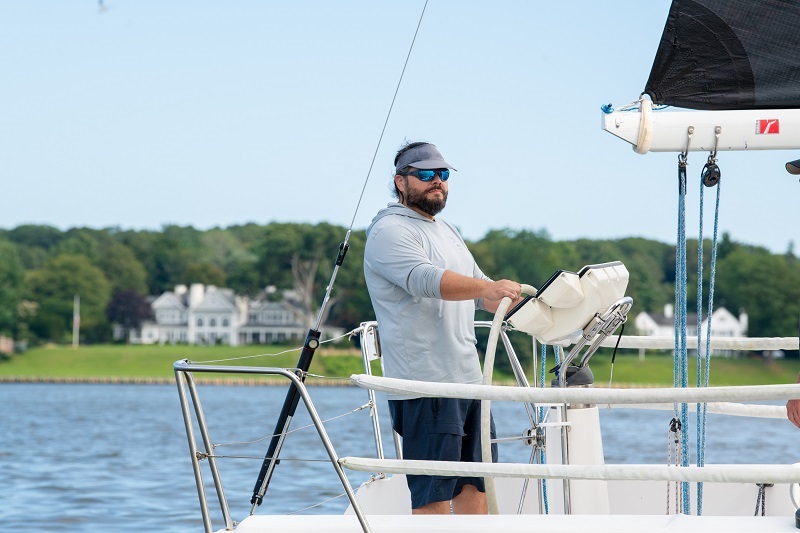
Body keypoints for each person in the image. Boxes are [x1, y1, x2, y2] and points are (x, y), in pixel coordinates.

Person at [363, 141, 523, 514]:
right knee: (433, 496)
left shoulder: (447, 230)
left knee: (477, 488)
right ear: (401, 182)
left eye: (443, 174)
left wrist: (521, 299)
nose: (437, 181)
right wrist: (486, 288)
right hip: (425, 387)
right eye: (425, 174)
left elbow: (482, 292)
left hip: (469, 383)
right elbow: (424, 279)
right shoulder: (388, 230)